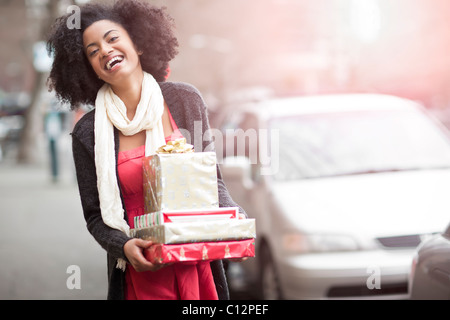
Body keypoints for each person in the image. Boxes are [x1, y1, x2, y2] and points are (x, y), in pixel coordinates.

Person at [46, 0, 245, 300]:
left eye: (112, 39)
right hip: (141, 271)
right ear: (89, 69)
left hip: (195, 262)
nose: (105, 51)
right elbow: (95, 217)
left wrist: (235, 220)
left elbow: (211, 181)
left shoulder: (185, 100)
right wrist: (123, 246)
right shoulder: (87, 132)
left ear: (137, 44)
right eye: (93, 51)